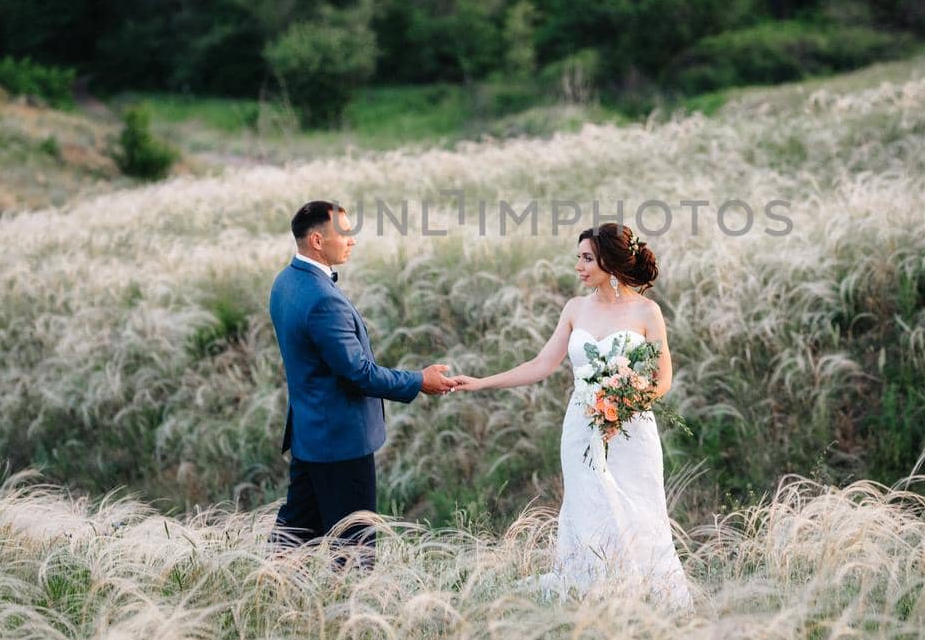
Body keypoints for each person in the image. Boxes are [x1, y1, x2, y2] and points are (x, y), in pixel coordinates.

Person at [452, 222, 693, 605]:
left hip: (631, 428)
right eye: (577, 258)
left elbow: (663, 379)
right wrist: (481, 382)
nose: (578, 266)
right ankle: (595, 590)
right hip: (582, 426)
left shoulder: (647, 312)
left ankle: (644, 593)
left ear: (609, 261)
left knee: (638, 505)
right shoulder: (575, 309)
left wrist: (623, 407)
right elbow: (542, 364)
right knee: (588, 503)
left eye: (586, 258)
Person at [267, 200, 456, 558]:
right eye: (345, 233)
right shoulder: (323, 300)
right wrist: (419, 381)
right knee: (354, 549)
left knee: (292, 540)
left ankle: (267, 596)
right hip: (340, 442)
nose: (352, 240)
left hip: (309, 434)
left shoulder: (285, 282)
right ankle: (352, 611)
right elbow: (359, 374)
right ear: (318, 241)